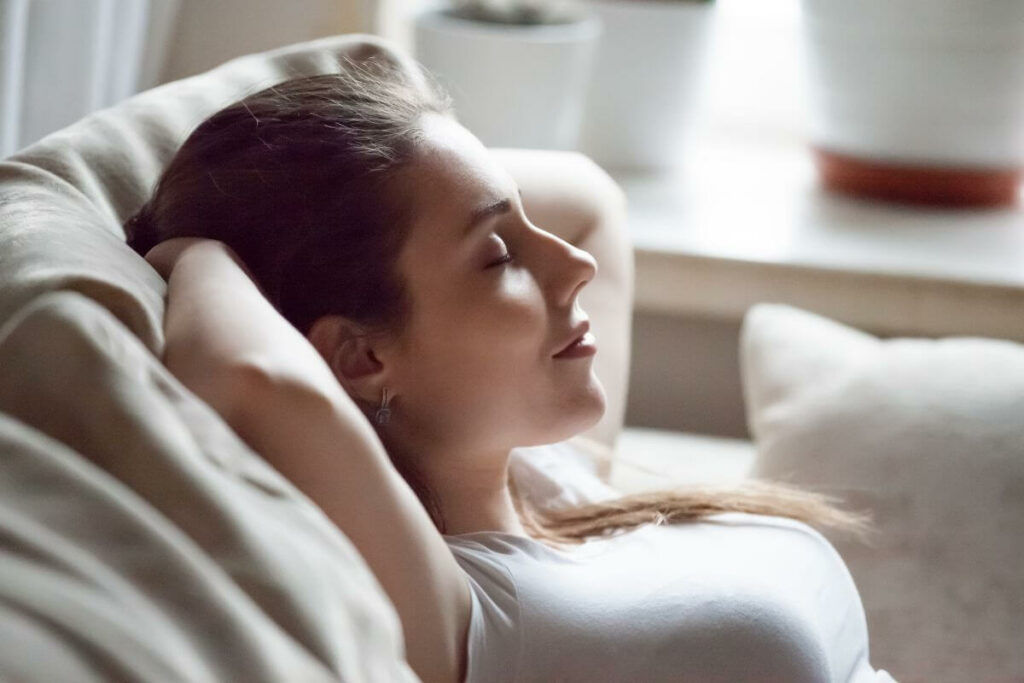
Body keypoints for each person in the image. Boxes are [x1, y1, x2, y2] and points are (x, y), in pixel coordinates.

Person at [126, 55, 897, 683]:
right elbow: (255, 380)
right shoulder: (452, 606)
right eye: (499, 257)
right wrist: (194, 250)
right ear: (359, 356)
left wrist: (421, 150)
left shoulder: (554, 475)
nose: (575, 264)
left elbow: (592, 196)